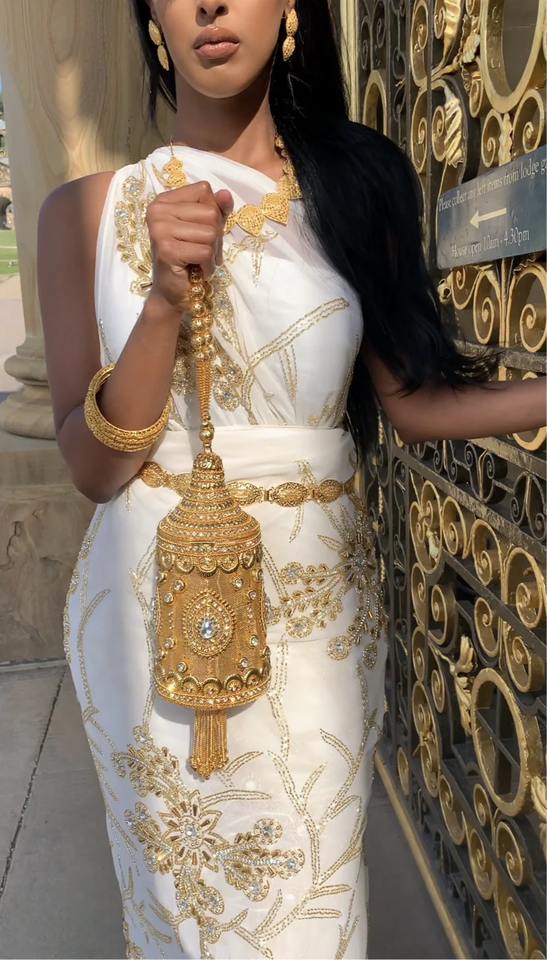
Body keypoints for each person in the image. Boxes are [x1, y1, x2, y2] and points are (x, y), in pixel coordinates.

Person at [37, 1, 546, 957]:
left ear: (291, 13)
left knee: (311, 906)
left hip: (315, 619)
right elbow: (95, 470)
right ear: (152, 21)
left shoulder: (356, 186)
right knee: (183, 918)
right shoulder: (85, 213)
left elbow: (414, 403)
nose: (211, 4)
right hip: (148, 616)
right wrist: (162, 302)